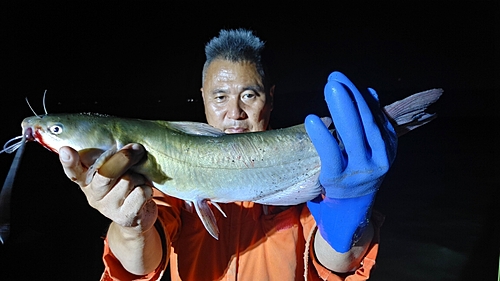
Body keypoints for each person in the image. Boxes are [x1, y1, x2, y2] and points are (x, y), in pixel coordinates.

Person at [58, 29, 396, 280]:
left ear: (271, 98)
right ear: (203, 97)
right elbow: (142, 265)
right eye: (220, 97)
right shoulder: (164, 175)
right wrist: (129, 226)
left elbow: (335, 266)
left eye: (249, 95)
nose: (234, 112)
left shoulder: (307, 176)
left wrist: (348, 221)